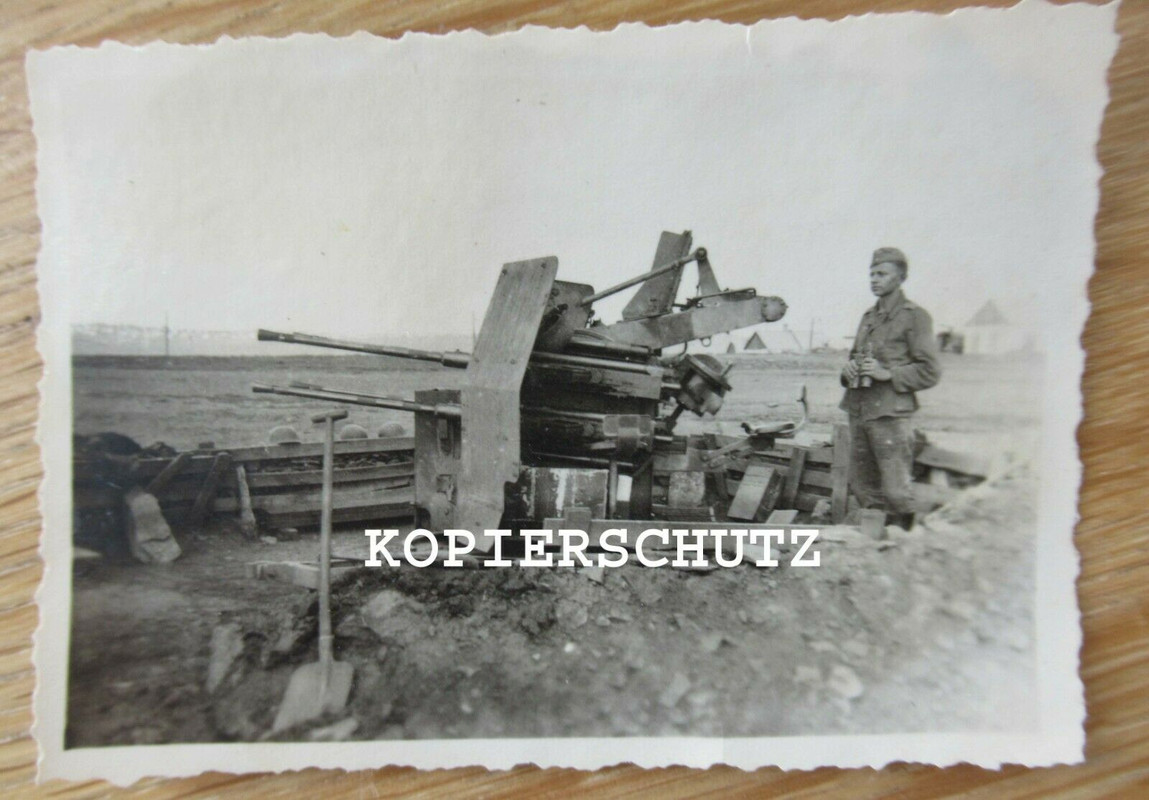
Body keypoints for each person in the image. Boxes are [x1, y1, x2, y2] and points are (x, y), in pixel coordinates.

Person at [840, 247, 941, 529]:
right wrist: (846, 372)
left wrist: (888, 374)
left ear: (901, 277)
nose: (874, 279)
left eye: (881, 274)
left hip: (891, 415)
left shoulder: (915, 317)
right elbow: (853, 359)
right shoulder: (868, 317)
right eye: (871, 273)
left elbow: (930, 371)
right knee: (863, 487)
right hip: (859, 410)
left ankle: (904, 545)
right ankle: (875, 551)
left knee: (897, 491)